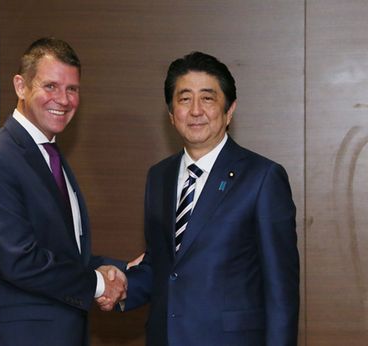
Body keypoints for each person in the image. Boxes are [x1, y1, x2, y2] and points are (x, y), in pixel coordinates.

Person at [121, 52, 300, 345]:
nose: (195, 111)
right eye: (184, 99)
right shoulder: (159, 177)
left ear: (229, 110)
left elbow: (281, 290)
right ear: (170, 114)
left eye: (207, 98)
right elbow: (162, 265)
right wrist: (112, 287)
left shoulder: (263, 178)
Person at [0, 37, 127, 346]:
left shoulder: (49, 155)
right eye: (50, 86)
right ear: (21, 86)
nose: (62, 99)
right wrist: (99, 284)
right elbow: (19, 260)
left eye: (72, 89)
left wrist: (123, 269)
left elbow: (62, 253)